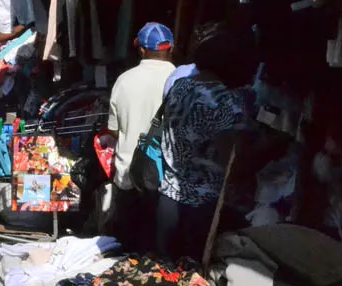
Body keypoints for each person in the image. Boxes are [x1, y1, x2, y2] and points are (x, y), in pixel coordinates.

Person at [156, 22, 255, 260]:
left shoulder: (179, 85)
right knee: (194, 281)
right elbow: (230, 157)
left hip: (167, 195)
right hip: (202, 204)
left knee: (162, 275)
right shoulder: (226, 102)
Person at [105, 23, 176, 246]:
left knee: (126, 251)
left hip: (129, 176)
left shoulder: (124, 80)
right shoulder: (180, 80)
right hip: (165, 182)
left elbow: (113, 129)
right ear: (170, 48)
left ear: (142, 50)